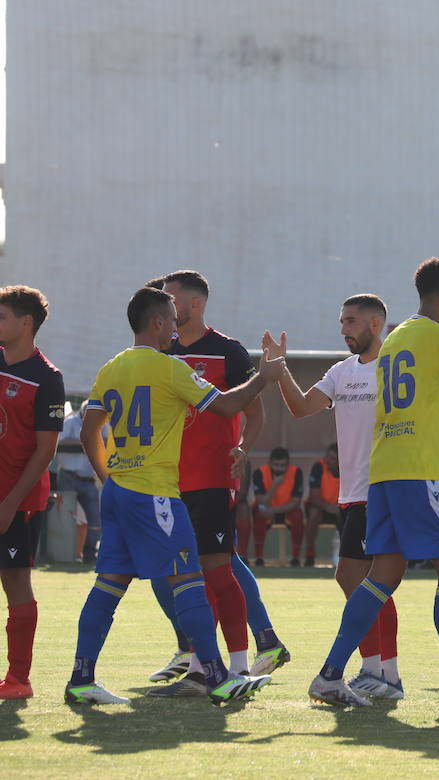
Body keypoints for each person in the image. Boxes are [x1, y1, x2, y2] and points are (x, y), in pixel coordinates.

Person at [304, 257, 439, 711]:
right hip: (420, 472)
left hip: (384, 472)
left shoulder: (394, 340)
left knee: (383, 574)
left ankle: (330, 675)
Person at [67, 286, 280, 705]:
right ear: (158, 322)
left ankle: (81, 678)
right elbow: (225, 405)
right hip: (157, 495)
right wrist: (265, 377)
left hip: (119, 492)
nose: (177, 331)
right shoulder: (169, 368)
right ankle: (219, 676)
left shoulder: (111, 368)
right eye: (172, 320)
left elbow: (90, 430)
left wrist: (107, 475)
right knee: (189, 581)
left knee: (108, 585)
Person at [142, 270, 283, 695]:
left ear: (195, 303)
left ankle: (236, 668)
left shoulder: (227, 352)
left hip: (210, 479)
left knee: (218, 571)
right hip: (165, 482)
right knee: (177, 575)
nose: (165, 306)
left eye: (170, 298)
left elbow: (254, 413)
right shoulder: (156, 353)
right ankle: (202, 662)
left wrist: (243, 448)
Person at [267, 294, 405, 700]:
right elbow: (300, 408)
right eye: (341, 321)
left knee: (361, 580)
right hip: (352, 494)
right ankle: (382, 672)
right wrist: (279, 372)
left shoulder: (394, 369)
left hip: (380, 490)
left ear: (376, 324)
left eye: (351, 321)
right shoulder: (341, 371)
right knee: (363, 582)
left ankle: (381, 672)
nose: (343, 329)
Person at [0, 286, 64, 699]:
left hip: (17, 503)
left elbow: (46, 451)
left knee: (16, 584)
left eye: (2, 317)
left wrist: (8, 504)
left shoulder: (47, 378)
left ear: (26, 323)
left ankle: (18, 680)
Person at [55, 402, 102, 564]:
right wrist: (86, 443)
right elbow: (57, 443)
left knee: (95, 519)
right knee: (65, 517)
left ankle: (89, 555)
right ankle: (64, 554)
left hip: (88, 479)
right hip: (68, 476)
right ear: (82, 412)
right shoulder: (69, 422)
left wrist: (88, 442)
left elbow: (107, 441)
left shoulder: (101, 423)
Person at [250, 449, 305, 565]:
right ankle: (259, 557)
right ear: (270, 463)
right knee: (259, 513)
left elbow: (296, 502)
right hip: (266, 509)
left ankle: (295, 558)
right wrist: (274, 485)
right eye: (276, 465)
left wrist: (274, 510)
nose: (279, 468)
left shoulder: (296, 472)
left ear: (288, 464)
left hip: (286, 509)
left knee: (298, 515)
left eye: (283, 465)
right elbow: (261, 502)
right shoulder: (259, 472)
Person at [303, 444, 341, 567]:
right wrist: (328, 507)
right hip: (321, 506)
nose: (328, 461)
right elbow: (314, 497)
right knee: (313, 514)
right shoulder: (319, 467)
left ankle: (342, 555)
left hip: (340, 507)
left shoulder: (348, 470)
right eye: (328, 457)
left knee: (350, 515)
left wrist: (339, 507)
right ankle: (310, 554)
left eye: (333, 459)